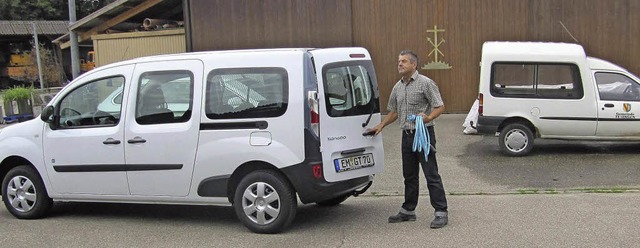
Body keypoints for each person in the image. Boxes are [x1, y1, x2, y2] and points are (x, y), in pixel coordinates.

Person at [367, 50, 449, 228]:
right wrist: (381, 125)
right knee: (409, 176)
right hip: (406, 136)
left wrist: (428, 117)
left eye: (404, 61)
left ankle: (441, 212)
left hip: (423, 135)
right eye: (399, 61)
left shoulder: (425, 83)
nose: (400, 64)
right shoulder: (398, 87)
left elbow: (440, 106)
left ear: (414, 65)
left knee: (431, 174)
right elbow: (394, 112)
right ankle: (408, 210)